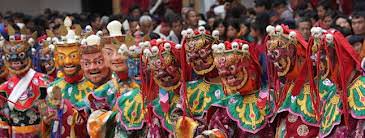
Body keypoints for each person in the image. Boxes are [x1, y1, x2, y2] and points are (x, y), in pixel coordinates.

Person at [208, 39, 275, 137]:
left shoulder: (272, 97)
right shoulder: (226, 105)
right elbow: (219, 131)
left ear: (250, 67)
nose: (228, 77)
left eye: (231, 69)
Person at [46, 17, 94, 137]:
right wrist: (46, 121)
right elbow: (48, 125)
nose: (67, 62)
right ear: (56, 59)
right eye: (62, 57)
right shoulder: (52, 88)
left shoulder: (95, 87)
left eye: (73, 56)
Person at [0, 25, 50, 137]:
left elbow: (52, 114)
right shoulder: (4, 88)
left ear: (29, 56)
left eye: (21, 56)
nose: (16, 62)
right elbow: (3, 123)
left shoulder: (44, 82)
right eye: (11, 58)